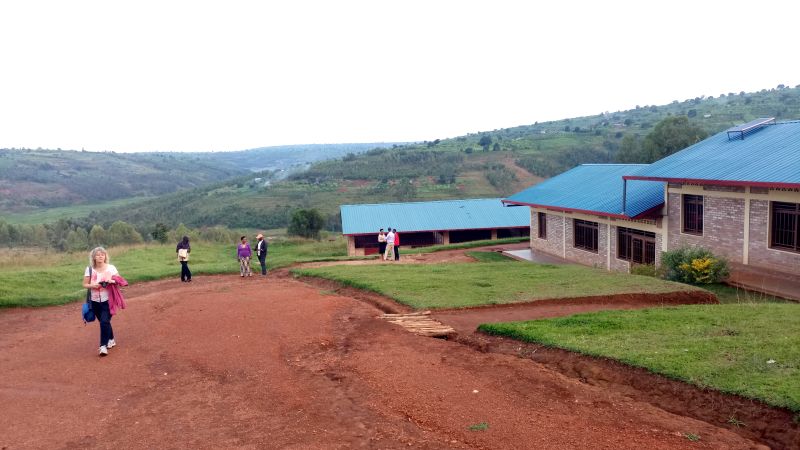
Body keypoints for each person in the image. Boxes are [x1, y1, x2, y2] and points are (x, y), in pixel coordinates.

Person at [82, 247, 121, 357]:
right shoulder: (89, 269)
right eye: (98, 255)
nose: (100, 256)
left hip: (109, 299)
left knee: (104, 321)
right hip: (94, 301)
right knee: (104, 321)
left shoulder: (111, 268)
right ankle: (111, 339)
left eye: (102, 254)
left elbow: (119, 280)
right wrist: (92, 285)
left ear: (105, 256)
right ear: (94, 257)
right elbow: (84, 284)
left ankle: (102, 346)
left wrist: (111, 281)